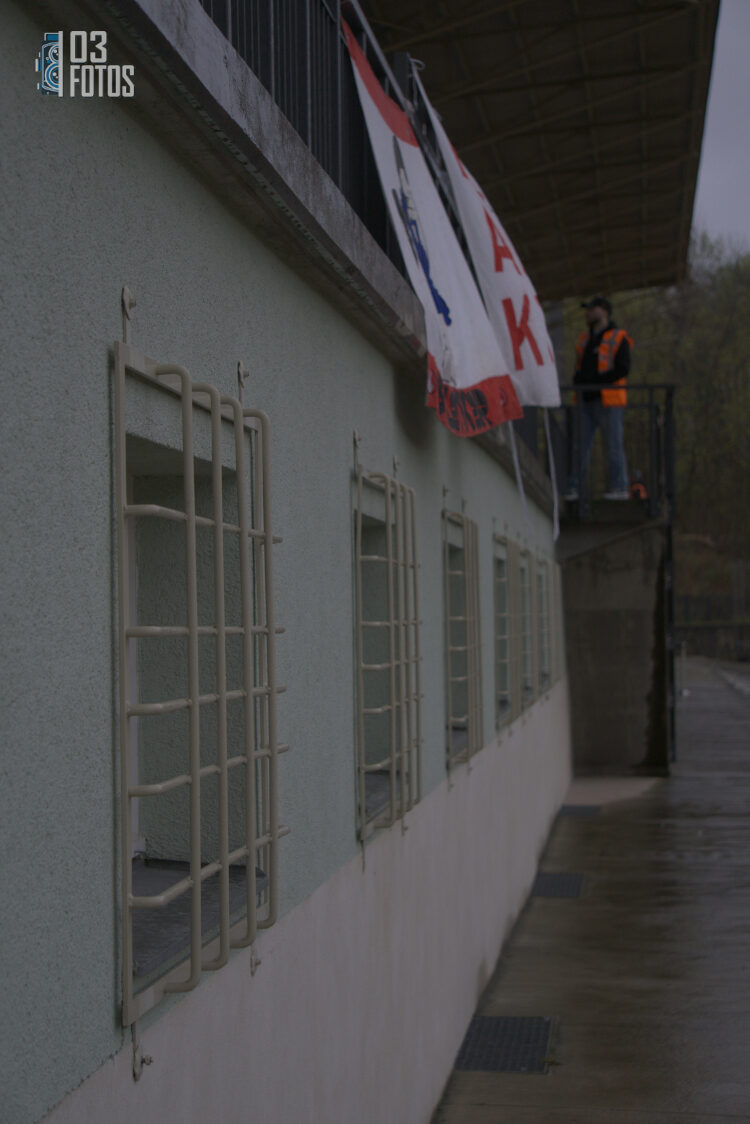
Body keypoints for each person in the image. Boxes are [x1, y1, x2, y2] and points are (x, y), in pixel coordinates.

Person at [565, 296, 632, 501]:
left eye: (591, 309)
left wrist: (597, 380)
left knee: (613, 446)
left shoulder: (619, 337)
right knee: (579, 447)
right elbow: (579, 369)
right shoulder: (585, 340)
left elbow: (622, 369)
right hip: (585, 401)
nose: (587, 313)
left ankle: (619, 488)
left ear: (603, 311)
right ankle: (573, 488)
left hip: (609, 401)